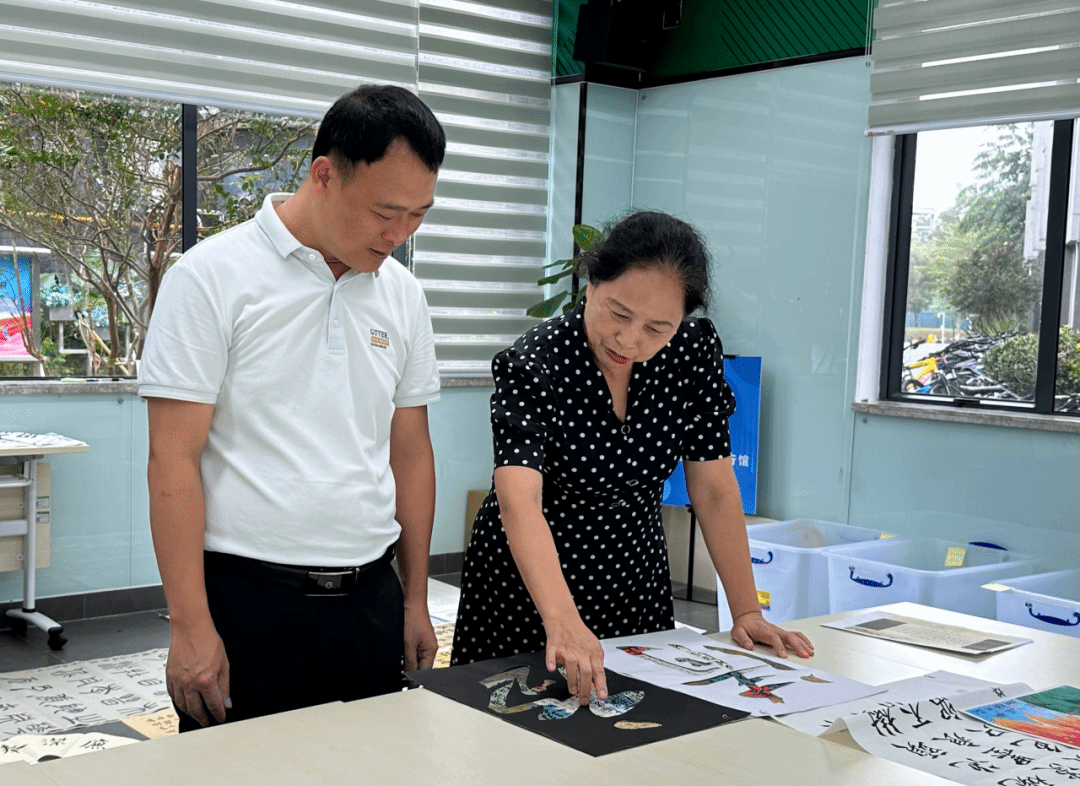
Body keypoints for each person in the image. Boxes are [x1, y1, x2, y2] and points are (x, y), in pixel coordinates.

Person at [138, 85, 446, 730]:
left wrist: (415, 599)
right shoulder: (210, 276)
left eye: (418, 215)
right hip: (247, 600)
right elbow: (172, 457)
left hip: (370, 597)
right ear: (324, 175)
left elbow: (411, 453)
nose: (399, 235)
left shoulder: (403, 295)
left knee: (371, 765)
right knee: (238, 771)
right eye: (385, 213)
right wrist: (191, 626)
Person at [451, 211, 813, 704]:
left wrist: (746, 611)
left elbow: (713, 488)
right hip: (531, 586)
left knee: (632, 722)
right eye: (619, 314)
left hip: (632, 576)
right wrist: (562, 619)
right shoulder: (536, 363)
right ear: (592, 285)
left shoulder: (689, 356)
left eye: (656, 328)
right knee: (516, 724)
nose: (629, 340)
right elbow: (520, 499)